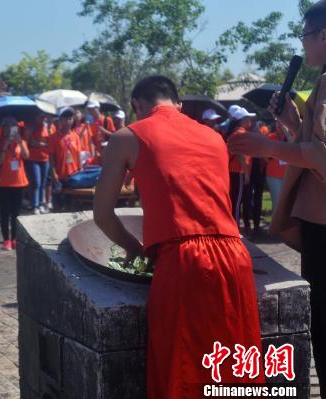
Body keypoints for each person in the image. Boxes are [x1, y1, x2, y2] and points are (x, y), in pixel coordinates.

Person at [94, 75, 263, 398]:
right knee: (233, 370)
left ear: (137, 106)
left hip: (184, 260)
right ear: (179, 105)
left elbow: (102, 215)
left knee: (184, 374)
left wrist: (136, 249)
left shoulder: (126, 136)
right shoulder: (213, 136)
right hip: (234, 254)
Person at [229, 2, 326, 394]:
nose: (302, 46)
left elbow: (320, 155)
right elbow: (312, 142)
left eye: (304, 36)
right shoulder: (320, 82)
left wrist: (264, 146)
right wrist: (290, 121)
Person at [0, 117, 29, 251]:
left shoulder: (22, 142)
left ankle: (15, 238)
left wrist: (19, 143)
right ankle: (6, 239)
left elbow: (26, 156)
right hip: (4, 182)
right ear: (3, 129)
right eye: (8, 127)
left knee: (16, 213)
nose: (10, 129)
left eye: (13, 126)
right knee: (4, 213)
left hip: (19, 181)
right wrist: (5, 145)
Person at [48, 107, 82, 210]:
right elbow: (51, 157)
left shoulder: (75, 136)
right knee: (58, 206)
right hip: (59, 177)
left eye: (70, 118)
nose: (68, 121)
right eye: (65, 118)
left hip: (73, 177)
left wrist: (80, 171)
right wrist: (53, 173)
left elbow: (78, 156)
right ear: (60, 120)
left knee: (71, 206)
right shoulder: (53, 137)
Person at [226, 105, 254, 225]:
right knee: (237, 201)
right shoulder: (241, 133)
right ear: (242, 120)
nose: (250, 121)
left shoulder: (234, 132)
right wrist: (246, 172)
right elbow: (241, 155)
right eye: (247, 118)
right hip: (238, 171)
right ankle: (236, 228)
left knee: (233, 200)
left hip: (233, 170)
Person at [24, 113, 51, 215]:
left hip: (45, 158)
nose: (42, 118)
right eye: (40, 116)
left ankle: (41, 204)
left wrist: (39, 144)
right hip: (33, 158)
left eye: (43, 117)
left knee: (43, 182)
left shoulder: (47, 127)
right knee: (36, 182)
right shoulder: (31, 128)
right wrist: (37, 143)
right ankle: (35, 205)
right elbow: (29, 143)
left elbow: (49, 142)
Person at [265, 121, 289, 210]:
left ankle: (288, 223)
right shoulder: (270, 137)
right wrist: (271, 162)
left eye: (281, 123)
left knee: (289, 202)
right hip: (273, 175)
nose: (279, 125)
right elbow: (263, 155)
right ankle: (277, 223)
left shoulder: (291, 138)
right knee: (277, 201)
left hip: (289, 175)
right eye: (277, 123)